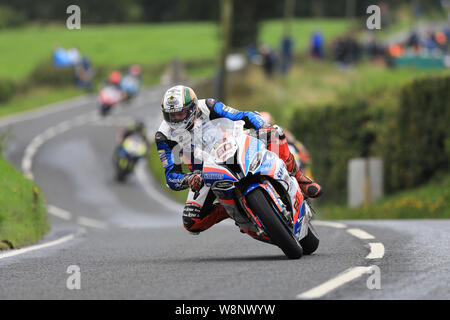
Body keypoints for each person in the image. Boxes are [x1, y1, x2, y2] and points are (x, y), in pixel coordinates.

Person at [155, 85, 322, 237]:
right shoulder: (163, 135)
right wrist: (188, 179)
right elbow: (171, 176)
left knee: (274, 132)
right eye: (171, 115)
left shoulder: (209, 106)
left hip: (233, 146)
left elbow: (244, 115)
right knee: (191, 222)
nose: (175, 119)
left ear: (192, 108)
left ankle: (299, 178)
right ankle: (232, 210)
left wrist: (262, 125)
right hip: (205, 172)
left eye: (180, 113)